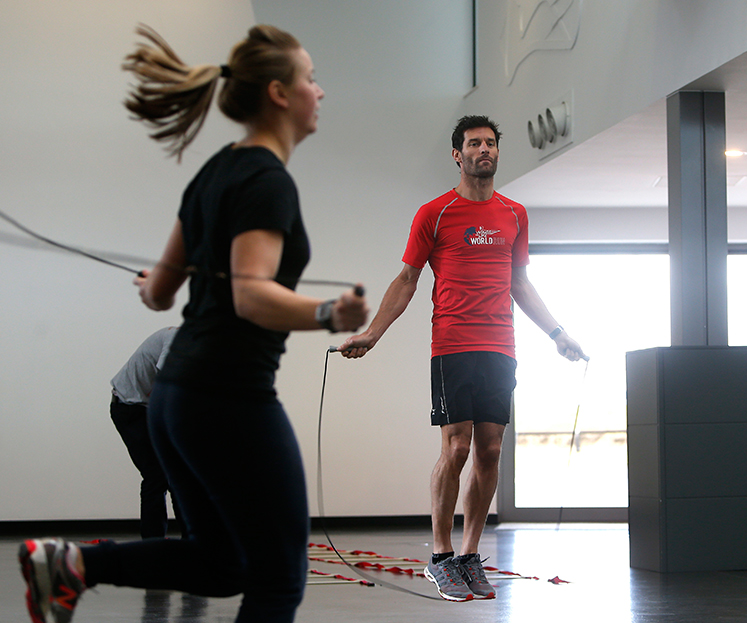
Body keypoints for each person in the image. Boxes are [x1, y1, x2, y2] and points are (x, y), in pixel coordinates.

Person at [18, 24, 367, 623]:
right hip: (228, 395)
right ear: (280, 93)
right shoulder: (267, 180)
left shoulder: (212, 173)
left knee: (221, 563)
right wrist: (330, 313)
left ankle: (77, 564)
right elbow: (251, 297)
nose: (320, 92)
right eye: (311, 78)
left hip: (174, 398)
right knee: (279, 579)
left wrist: (154, 279)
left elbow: (157, 294)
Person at [338, 115, 586, 602]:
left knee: (490, 450)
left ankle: (470, 556)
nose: (484, 150)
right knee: (456, 448)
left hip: (501, 346)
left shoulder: (514, 214)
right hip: (452, 343)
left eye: (490, 143)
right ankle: (440, 556)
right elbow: (407, 279)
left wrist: (557, 332)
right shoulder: (435, 213)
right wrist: (373, 333)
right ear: (458, 154)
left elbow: (520, 283)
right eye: (474, 144)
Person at [110, 326, 186, 540]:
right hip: (130, 408)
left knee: (177, 474)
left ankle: (192, 539)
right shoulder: (177, 339)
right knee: (157, 475)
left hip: (149, 409)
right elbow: (165, 386)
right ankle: (153, 544)